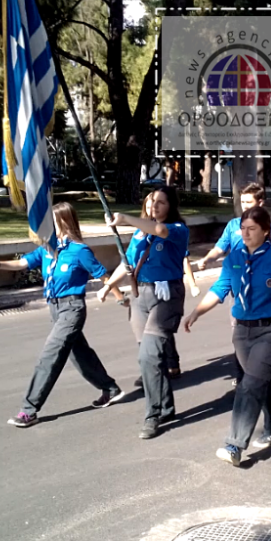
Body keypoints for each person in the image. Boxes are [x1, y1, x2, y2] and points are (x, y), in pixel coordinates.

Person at [184, 207, 271, 467]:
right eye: (243, 229)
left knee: (249, 385)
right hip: (242, 331)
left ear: (265, 230)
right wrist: (196, 312)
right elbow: (220, 288)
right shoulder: (234, 257)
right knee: (261, 382)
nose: (245, 233)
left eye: (251, 229)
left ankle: (234, 445)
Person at [0, 202, 124, 428]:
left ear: (64, 222)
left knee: (50, 356)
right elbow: (22, 262)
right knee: (80, 355)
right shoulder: (49, 248)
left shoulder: (79, 251)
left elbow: (102, 274)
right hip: (55, 308)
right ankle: (110, 388)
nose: (47, 228)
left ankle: (29, 410)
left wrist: (118, 295)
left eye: (52, 223)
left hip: (72, 308)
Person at [99, 186, 189, 440]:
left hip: (166, 296)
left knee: (148, 356)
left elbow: (160, 230)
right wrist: (108, 286)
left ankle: (153, 414)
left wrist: (125, 218)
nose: (155, 206)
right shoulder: (140, 234)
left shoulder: (178, 230)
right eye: (151, 202)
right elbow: (127, 265)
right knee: (150, 358)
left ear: (171, 206)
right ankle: (166, 407)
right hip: (139, 296)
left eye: (161, 202)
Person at [196, 182, 271, 385]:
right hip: (239, 292)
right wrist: (207, 259)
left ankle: (266, 366)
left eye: (249, 202)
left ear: (260, 202)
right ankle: (242, 374)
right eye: (242, 202)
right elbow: (220, 248)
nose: (244, 206)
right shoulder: (233, 226)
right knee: (239, 332)